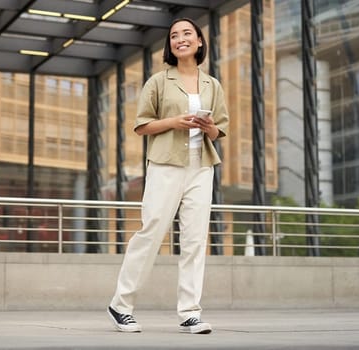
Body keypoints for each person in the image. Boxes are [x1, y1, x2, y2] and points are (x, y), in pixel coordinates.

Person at [107, 17, 228, 335]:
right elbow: (141, 125)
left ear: (199, 42)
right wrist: (175, 121)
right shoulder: (158, 82)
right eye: (175, 35)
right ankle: (121, 305)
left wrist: (207, 127)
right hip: (165, 165)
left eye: (187, 33)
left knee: (194, 241)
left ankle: (190, 312)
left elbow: (219, 131)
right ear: (170, 46)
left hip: (201, 167)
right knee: (150, 233)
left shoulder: (212, 85)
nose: (180, 39)